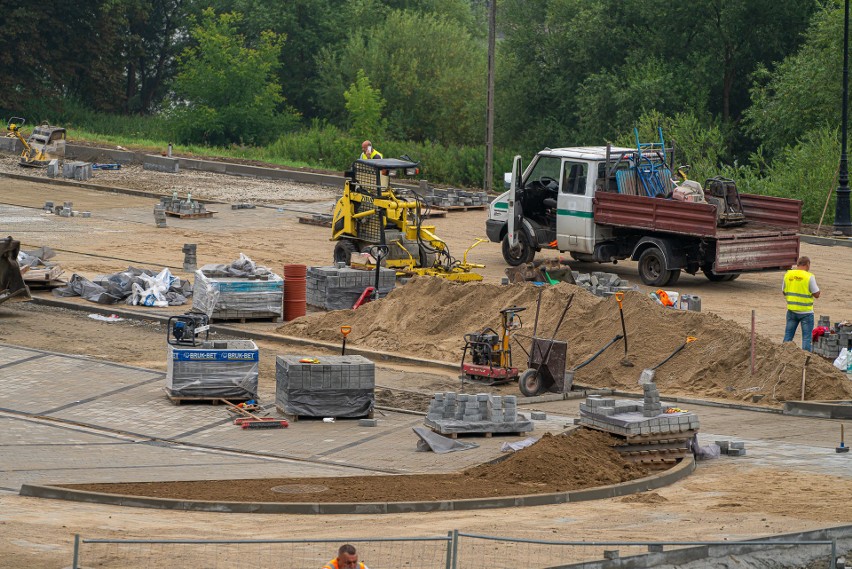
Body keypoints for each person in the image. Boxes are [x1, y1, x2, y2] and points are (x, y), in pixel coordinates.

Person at [782, 255, 820, 351]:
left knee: (788, 336)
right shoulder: (809, 277)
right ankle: (805, 362)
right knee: (806, 339)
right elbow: (816, 294)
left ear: (798, 264)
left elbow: (783, 291)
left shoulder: (788, 274)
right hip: (806, 313)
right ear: (807, 265)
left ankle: (783, 356)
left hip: (791, 311)